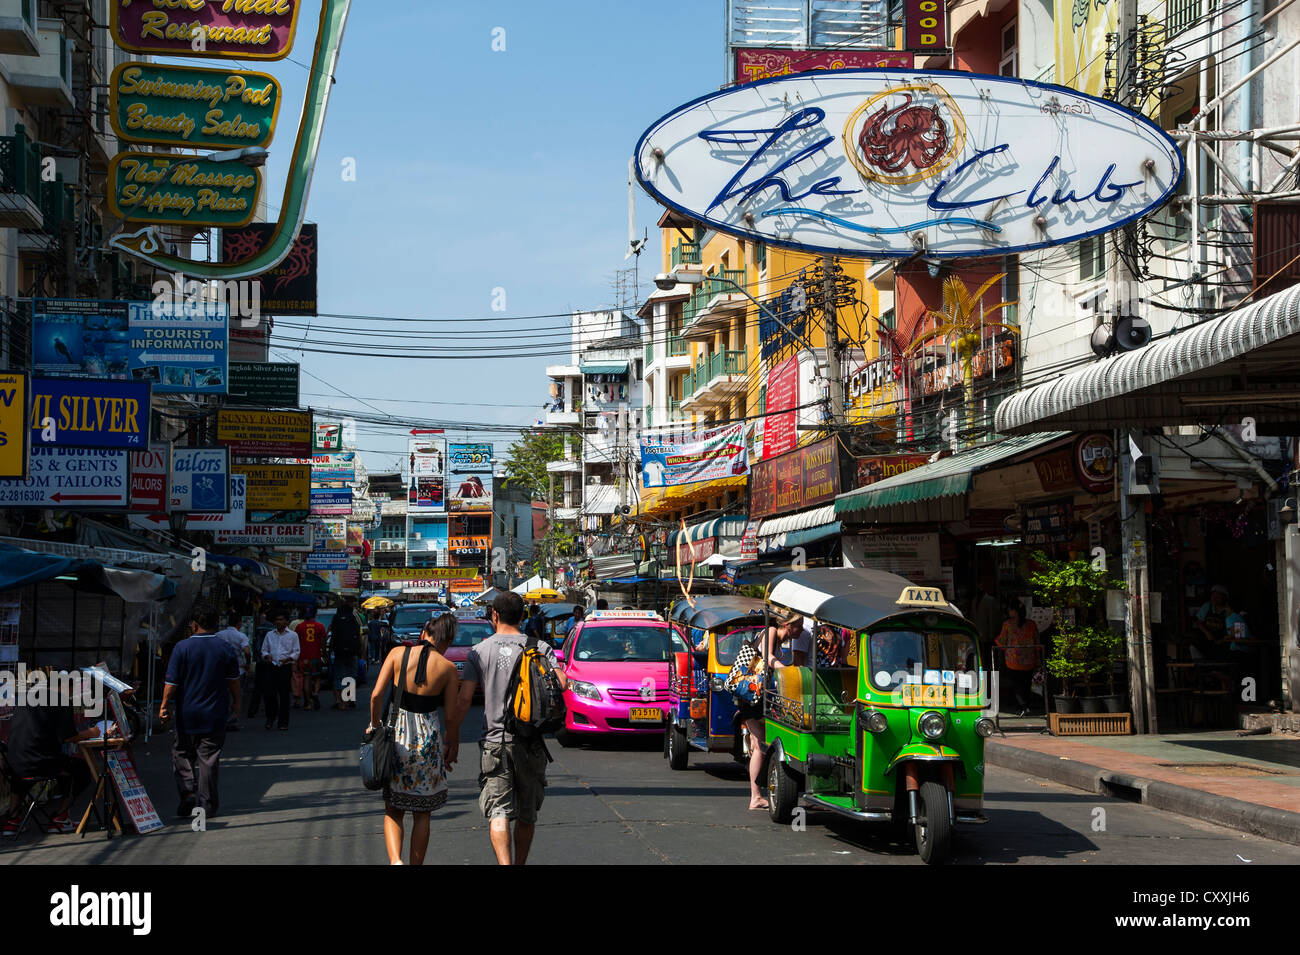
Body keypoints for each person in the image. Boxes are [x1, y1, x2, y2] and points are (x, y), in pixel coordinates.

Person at [447, 591, 568, 865]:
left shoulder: (479, 652)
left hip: (495, 742)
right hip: (531, 741)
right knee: (527, 813)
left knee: (498, 811)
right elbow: (561, 683)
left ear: (494, 615)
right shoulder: (540, 647)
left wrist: (451, 737)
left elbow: (464, 699)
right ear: (523, 616)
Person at [366, 614, 461, 865]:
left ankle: (396, 861)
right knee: (423, 812)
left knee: (393, 808)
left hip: (396, 733)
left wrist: (375, 725)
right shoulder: (449, 669)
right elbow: (451, 717)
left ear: (423, 634)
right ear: (447, 640)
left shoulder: (397, 654)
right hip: (428, 740)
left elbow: (376, 695)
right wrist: (452, 744)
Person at [161, 610, 240, 818]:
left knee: (181, 753)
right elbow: (234, 681)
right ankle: (206, 805)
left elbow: (171, 683)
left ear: (194, 625)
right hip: (214, 714)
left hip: (186, 713)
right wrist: (237, 704)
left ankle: (188, 790)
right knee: (209, 760)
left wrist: (163, 705)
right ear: (216, 624)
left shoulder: (182, 647)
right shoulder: (225, 648)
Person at [1, 675, 101, 835]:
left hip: (13, 763)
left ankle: (13, 819)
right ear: (66, 687)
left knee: (23, 770)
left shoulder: (26, 697)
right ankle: (60, 817)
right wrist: (93, 732)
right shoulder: (61, 701)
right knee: (80, 770)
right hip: (40, 763)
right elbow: (69, 737)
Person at [995, 603, 1040, 716]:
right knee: (1026, 684)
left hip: (1013, 660)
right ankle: (1026, 706)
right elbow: (1036, 640)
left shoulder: (1008, 624)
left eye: (1010, 610)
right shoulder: (1031, 624)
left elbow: (1002, 641)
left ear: (1015, 611)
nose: (1009, 612)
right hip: (1029, 659)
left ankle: (1022, 706)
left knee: (1016, 684)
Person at [261, 611, 299, 730]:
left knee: (284, 695)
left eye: (281, 619)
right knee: (270, 694)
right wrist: (267, 656)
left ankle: (283, 722)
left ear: (286, 622)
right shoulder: (269, 635)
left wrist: (289, 659)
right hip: (272, 666)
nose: (279, 622)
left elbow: (296, 651)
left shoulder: (293, 635)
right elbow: (264, 650)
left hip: (285, 667)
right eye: (277, 619)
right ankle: (270, 718)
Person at [214, 612, 251, 731]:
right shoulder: (241, 636)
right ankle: (233, 720)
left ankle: (221, 719)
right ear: (239, 623)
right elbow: (247, 652)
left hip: (221, 669)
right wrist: (248, 664)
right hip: (238, 669)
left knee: (222, 695)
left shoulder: (218, 635)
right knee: (236, 695)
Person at [329, 598, 363, 710]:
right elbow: (359, 636)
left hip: (338, 652)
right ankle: (350, 699)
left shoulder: (336, 619)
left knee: (339, 676)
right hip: (352, 652)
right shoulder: (353, 618)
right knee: (351, 676)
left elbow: (331, 635)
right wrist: (359, 650)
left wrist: (330, 650)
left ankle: (340, 701)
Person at [295, 608, 327, 710]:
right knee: (317, 677)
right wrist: (324, 653)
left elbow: (296, 641)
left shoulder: (299, 627)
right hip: (316, 655)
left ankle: (308, 703)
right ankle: (316, 693)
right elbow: (323, 641)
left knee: (306, 679)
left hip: (304, 657)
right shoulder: (320, 626)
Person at [970, 578, 1000, 664]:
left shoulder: (990, 600)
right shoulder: (974, 600)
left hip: (986, 632)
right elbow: (973, 616)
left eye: (982, 585)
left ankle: (989, 673)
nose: (980, 587)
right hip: (977, 631)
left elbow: (992, 617)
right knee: (979, 654)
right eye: (979, 585)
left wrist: (991, 633)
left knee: (988, 656)